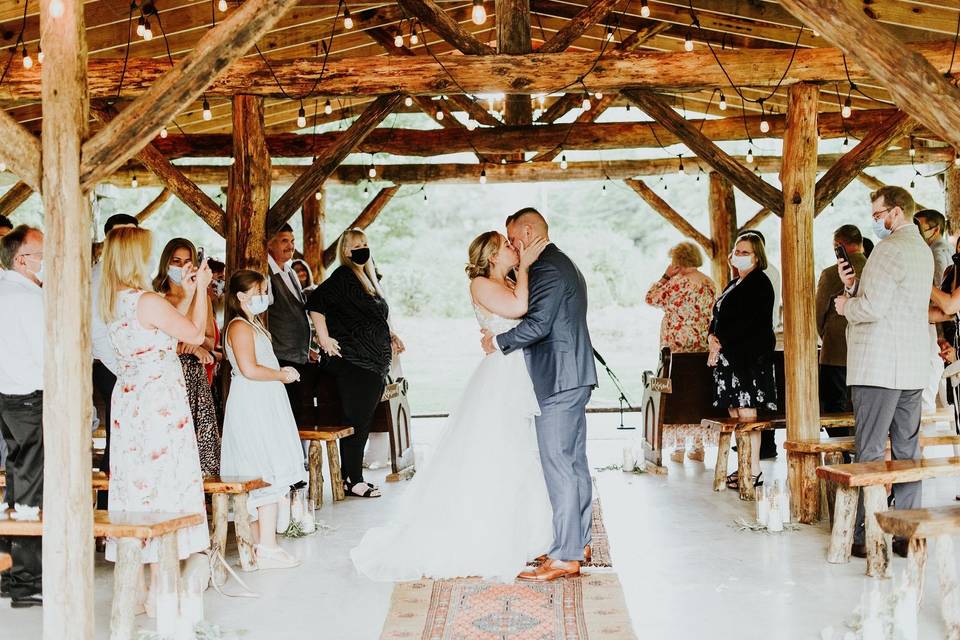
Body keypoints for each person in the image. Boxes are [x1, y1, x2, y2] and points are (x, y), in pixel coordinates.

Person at [351, 231, 553, 582]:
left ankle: (528, 531)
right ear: (491, 255)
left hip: (515, 367)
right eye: (507, 244)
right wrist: (529, 265)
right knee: (499, 451)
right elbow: (520, 308)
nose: (513, 247)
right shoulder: (481, 283)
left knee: (520, 452)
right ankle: (489, 535)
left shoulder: (505, 279)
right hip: (502, 376)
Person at [480, 208, 598, 582]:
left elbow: (537, 324)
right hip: (573, 375)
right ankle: (577, 543)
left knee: (559, 465)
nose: (512, 245)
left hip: (558, 380)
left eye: (513, 238)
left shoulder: (547, 267)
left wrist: (498, 342)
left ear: (528, 232)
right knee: (574, 463)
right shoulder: (562, 262)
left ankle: (565, 555)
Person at [100, 226, 211, 613]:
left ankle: (140, 589)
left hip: (131, 400)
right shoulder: (146, 299)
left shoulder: (114, 300)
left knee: (138, 483)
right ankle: (161, 587)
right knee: (165, 481)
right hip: (158, 400)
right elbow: (194, 334)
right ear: (134, 257)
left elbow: (167, 327)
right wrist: (200, 289)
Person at [835, 186, 932, 560]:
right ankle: (906, 532)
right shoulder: (920, 250)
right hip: (909, 363)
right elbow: (892, 301)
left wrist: (846, 305)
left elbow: (872, 309)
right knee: (908, 450)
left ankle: (865, 533)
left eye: (877, 215)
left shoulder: (888, 249)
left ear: (894, 213)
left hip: (878, 365)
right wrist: (854, 286)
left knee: (870, 450)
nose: (875, 221)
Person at [221, 269, 309, 569]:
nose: (264, 297)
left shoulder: (251, 323)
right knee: (265, 466)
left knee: (267, 465)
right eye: (259, 292)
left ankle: (263, 544)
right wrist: (280, 374)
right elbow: (248, 368)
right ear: (241, 296)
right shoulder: (240, 327)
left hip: (264, 398)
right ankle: (267, 546)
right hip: (253, 400)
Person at [307, 229, 402, 498]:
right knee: (357, 421)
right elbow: (316, 302)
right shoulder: (343, 277)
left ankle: (353, 477)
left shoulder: (366, 278)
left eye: (365, 244)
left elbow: (373, 317)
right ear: (346, 251)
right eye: (356, 245)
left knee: (364, 419)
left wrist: (391, 335)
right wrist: (324, 338)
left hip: (373, 363)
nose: (362, 249)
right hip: (355, 362)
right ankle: (353, 479)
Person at [708, 234, 778, 490]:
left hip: (749, 360)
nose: (738, 255)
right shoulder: (735, 283)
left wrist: (721, 339)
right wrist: (711, 336)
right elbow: (718, 314)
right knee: (735, 413)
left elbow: (748, 323)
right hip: (730, 360)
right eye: (736, 250)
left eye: (745, 252)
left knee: (748, 415)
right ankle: (744, 464)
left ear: (757, 257)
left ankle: (754, 469)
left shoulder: (760, 283)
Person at [0, 225, 44, 607]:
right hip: (30, 395)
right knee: (31, 490)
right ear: (22, 259)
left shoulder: (6, 290)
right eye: (42, 254)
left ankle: (9, 572)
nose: (47, 261)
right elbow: (46, 351)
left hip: (8, 396)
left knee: (16, 484)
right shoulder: (27, 298)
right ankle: (25, 582)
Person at [153, 238, 221, 477]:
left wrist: (196, 344)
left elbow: (211, 340)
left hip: (195, 377)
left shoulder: (202, 298)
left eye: (187, 262)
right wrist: (185, 345)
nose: (182, 266)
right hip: (167, 377)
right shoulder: (157, 297)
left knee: (200, 436)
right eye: (176, 261)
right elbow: (155, 341)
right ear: (166, 264)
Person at [645, 241, 717, 463]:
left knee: (676, 395)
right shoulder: (709, 283)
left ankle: (678, 447)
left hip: (676, 347)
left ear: (678, 261)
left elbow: (651, 298)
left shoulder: (677, 283)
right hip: (702, 347)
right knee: (697, 395)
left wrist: (665, 276)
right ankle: (698, 446)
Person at [91, 213, 139, 493]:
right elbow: (97, 332)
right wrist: (123, 370)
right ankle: (111, 503)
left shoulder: (131, 275)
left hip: (131, 366)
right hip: (113, 367)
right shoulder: (99, 276)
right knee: (119, 432)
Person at [815, 225, 867, 433]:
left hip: (836, 349)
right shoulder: (873, 268)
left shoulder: (830, 274)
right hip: (866, 349)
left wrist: (825, 335)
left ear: (839, 246)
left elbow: (818, 312)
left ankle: (840, 452)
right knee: (862, 403)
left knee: (834, 404)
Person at [266, 224, 316, 422]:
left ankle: (300, 452)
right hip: (280, 355)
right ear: (270, 243)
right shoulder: (266, 273)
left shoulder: (290, 271)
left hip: (299, 355)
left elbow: (297, 312)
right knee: (287, 413)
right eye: (284, 240)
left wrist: (307, 347)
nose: (291, 246)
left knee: (300, 412)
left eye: (292, 241)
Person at [915, 209, 952, 412]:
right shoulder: (941, 249)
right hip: (939, 327)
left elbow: (938, 294)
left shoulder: (936, 253)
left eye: (920, 228)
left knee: (928, 396)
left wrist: (938, 335)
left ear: (935, 229)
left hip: (938, 329)